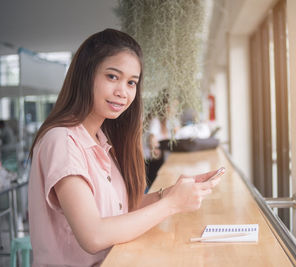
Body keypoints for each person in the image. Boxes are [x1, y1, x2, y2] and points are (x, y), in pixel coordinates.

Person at [28, 29, 222, 267]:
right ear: (85, 76)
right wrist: (171, 205)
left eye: (131, 82)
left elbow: (117, 210)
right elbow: (93, 235)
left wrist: (169, 194)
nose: (123, 91)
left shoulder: (100, 140)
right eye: (112, 77)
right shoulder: (62, 141)